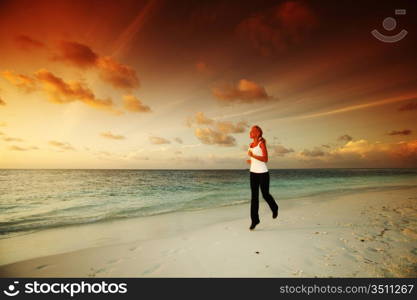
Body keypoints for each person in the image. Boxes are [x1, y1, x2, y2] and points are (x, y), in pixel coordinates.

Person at [246, 125, 279, 230]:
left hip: (263, 173)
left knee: (265, 194)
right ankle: (255, 220)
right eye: (250, 131)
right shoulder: (250, 145)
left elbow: (265, 158)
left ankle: (274, 207)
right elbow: (255, 159)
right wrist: (251, 161)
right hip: (253, 173)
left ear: (258, 133)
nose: (250, 132)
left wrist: (253, 156)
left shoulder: (261, 143)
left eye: (252, 131)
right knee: (254, 197)